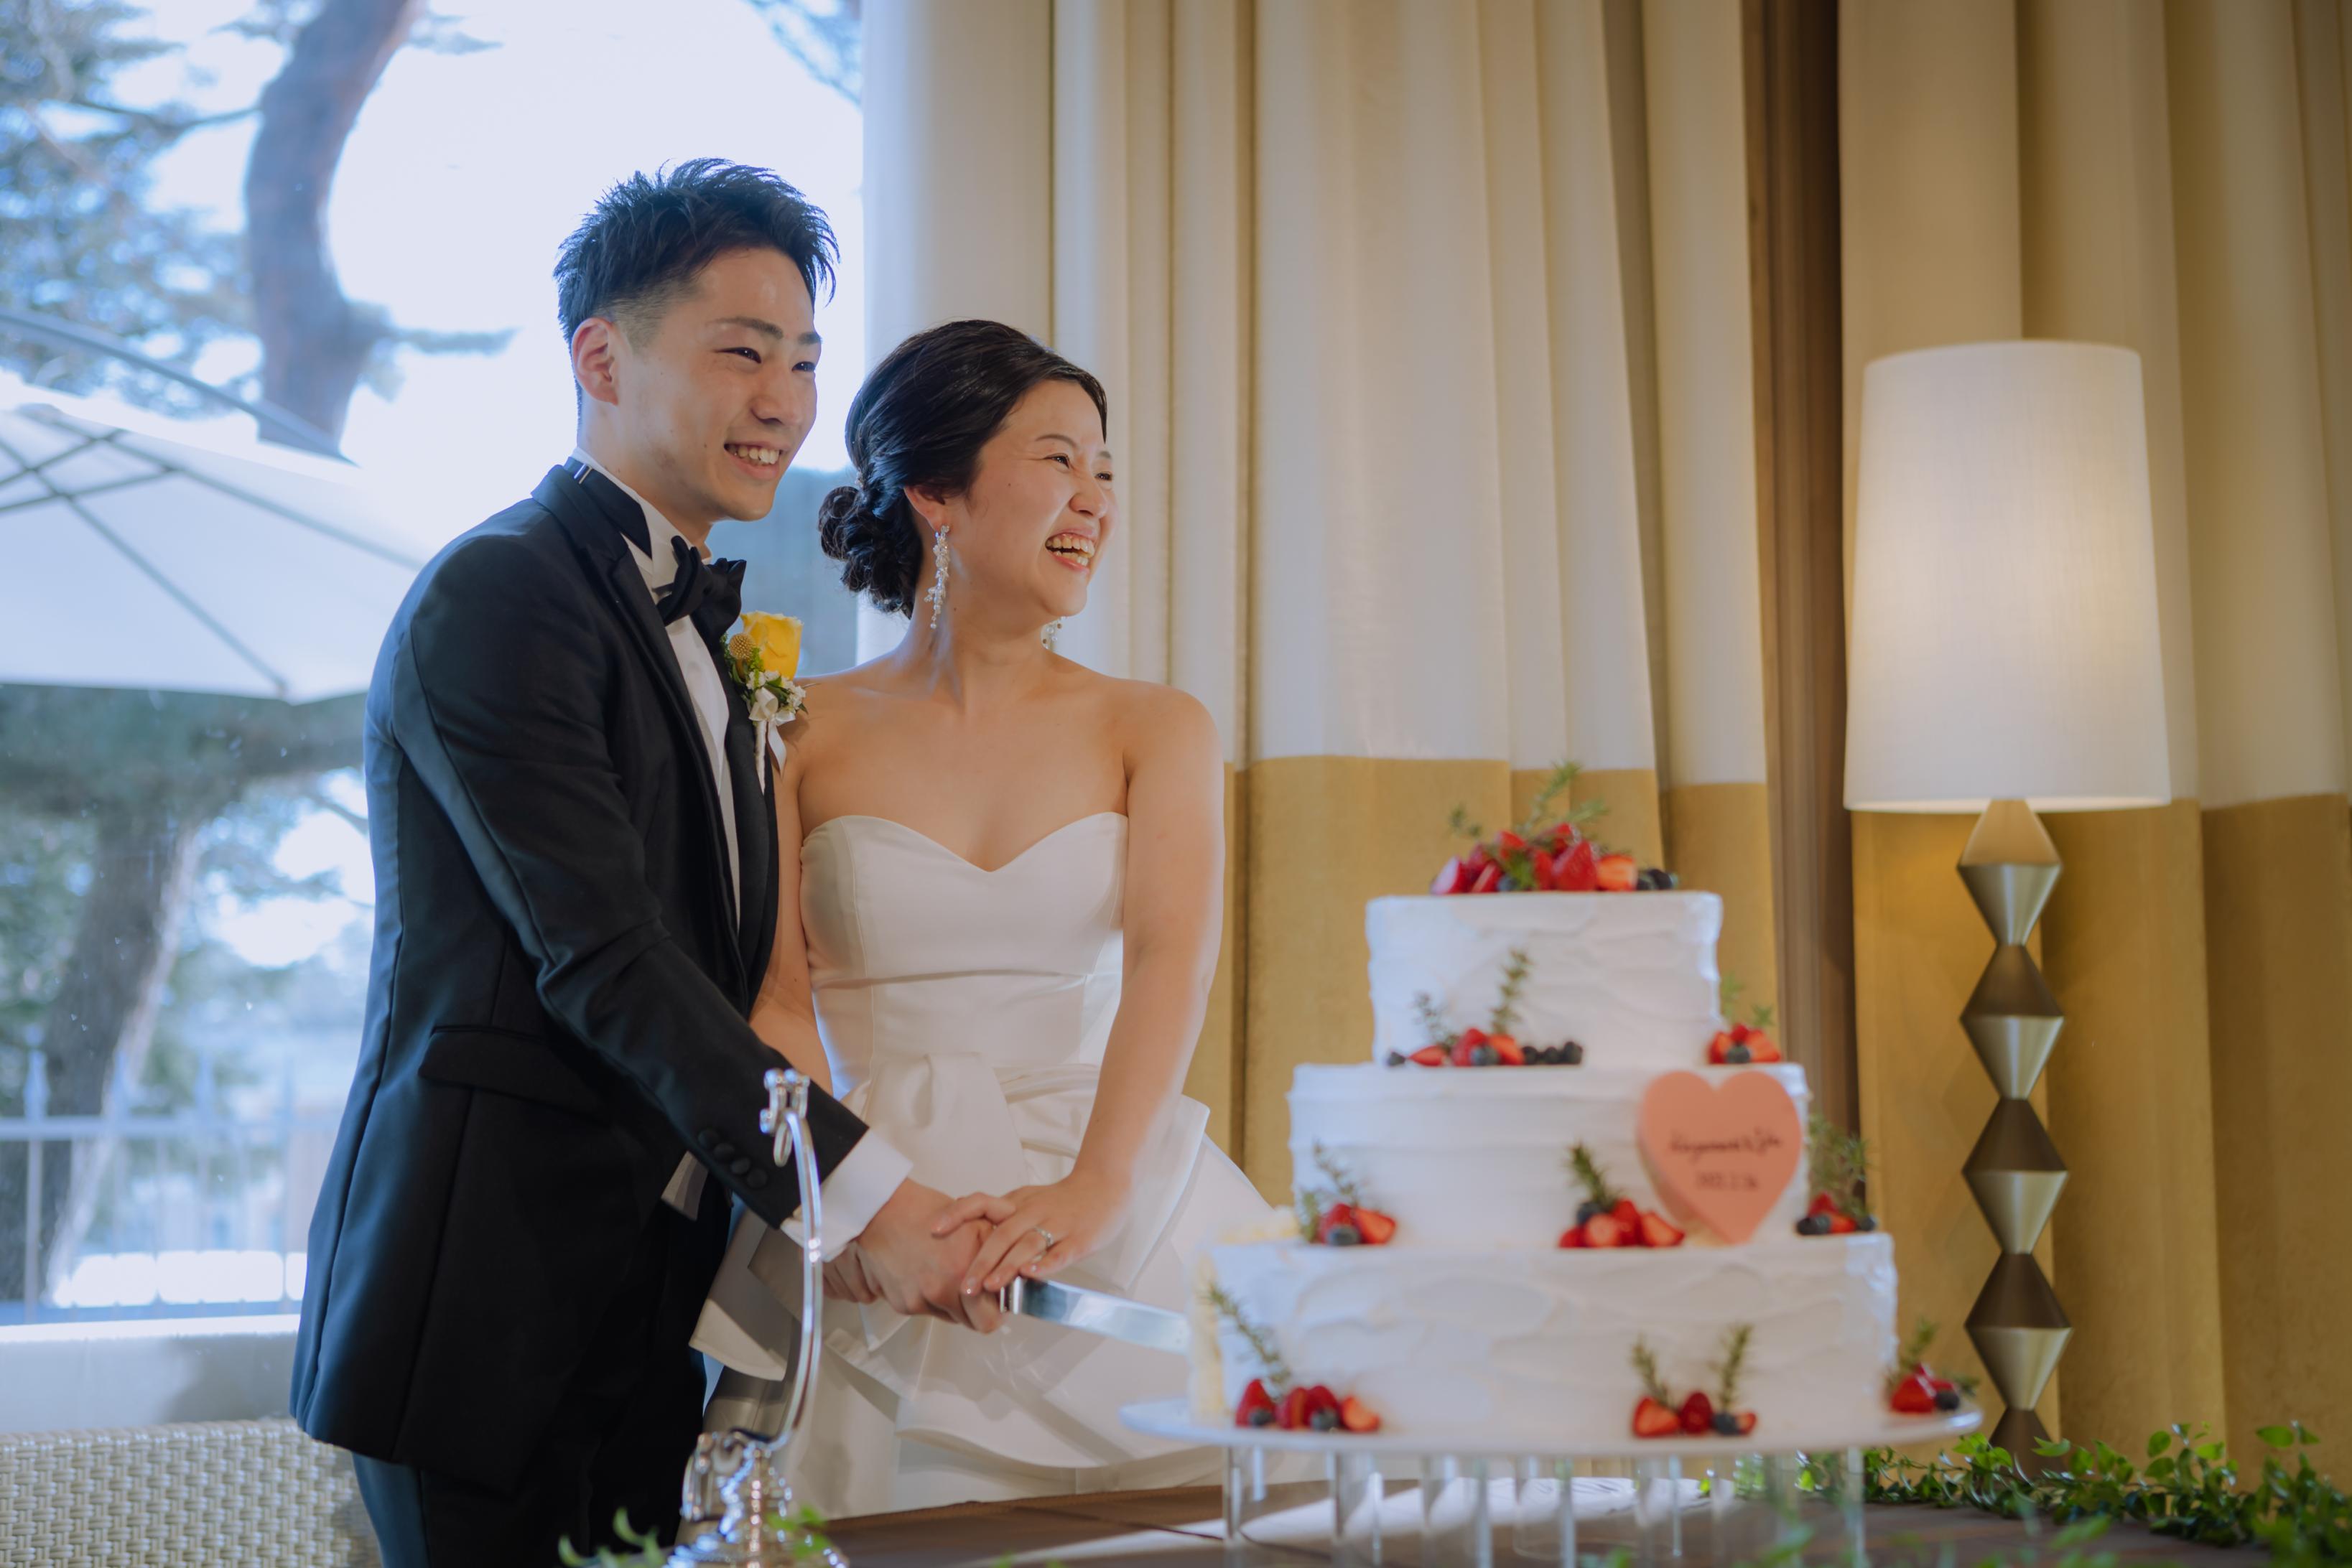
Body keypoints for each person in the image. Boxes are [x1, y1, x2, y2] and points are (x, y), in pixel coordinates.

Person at [289, 162, 1003, 1568]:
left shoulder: (713, 640)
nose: (785, 402)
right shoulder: (500, 593)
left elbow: (730, 977)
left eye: (805, 362)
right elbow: (606, 956)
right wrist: (860, 1196)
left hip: (647, 1311)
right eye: (742, 352)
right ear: (600, 358)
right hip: (483, 1308)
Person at [692, 319, 1280, 1518]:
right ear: (935, 493)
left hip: (1101, 1187)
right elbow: (779, 999)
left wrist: (1096, 1187)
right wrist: (840, 1203)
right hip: (877, 1191)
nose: (1096, 499)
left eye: (1105, 469)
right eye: (1059, 459)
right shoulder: (796, 725)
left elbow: (1171, 962)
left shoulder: (1156, 726)